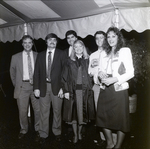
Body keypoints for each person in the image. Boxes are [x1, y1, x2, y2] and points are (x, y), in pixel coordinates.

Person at [96, 26, 134, 149]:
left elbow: (131, 72)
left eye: (113, 36)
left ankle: (118, 146)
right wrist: (100, 74)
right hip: (105, 89)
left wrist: (116, 79)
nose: (111, 39)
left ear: (118, 37)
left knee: (121, 120)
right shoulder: (103, 53)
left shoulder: (125, 51)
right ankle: (109, 143)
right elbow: (100, 70)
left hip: (118, 88)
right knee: (102, 117)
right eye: (108, 36)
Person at [33, 33, 65, 144]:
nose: (52, 42)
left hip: (57, 87)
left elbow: (65, 73)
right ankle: (43, 134)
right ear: (46, 42)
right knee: (43, 111)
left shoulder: (62, 54)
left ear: (56, 42)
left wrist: (63, 88)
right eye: (50, 40)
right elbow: (36, 72)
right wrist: (36, 88)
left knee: (57, 111)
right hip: (43, 87)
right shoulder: (40, 55)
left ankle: (57, 132)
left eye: (54, 40)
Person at [62, 40, 95, 144]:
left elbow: (93, 73)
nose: (78, 48)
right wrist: (66, 90)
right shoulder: (69, 61)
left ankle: (80, 132)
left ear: (83, 47)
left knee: (82, 115)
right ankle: (75, 135)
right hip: (73, 91)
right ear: (73, 49)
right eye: (75, 47)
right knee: (74, 115)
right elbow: (64, 77)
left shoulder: (89, 59)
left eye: (80, 46)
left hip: (85, 91)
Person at [10, 35, 40, 139]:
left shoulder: (38, 55)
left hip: (35, 87)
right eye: (25, 43)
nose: (27, 45)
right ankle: (23, 129)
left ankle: (38, 129)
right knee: (22, 111)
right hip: (22, 86)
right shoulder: (15, 57)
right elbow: (12, 72)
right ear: (22, 44)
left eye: (29, 43)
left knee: (37, 109)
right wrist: (17, 85)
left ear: (32, 44)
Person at [88, 31, 108, 145]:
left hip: (108, 87)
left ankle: (112, 138)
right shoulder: (93, 55)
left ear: (105, 39)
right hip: (97, 87)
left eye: (101, 38)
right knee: (99, 113)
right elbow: (90, 73)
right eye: (97, 38)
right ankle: (103, 138)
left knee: (110, 112)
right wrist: (93, 67)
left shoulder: (110, 52)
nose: (99, 40)